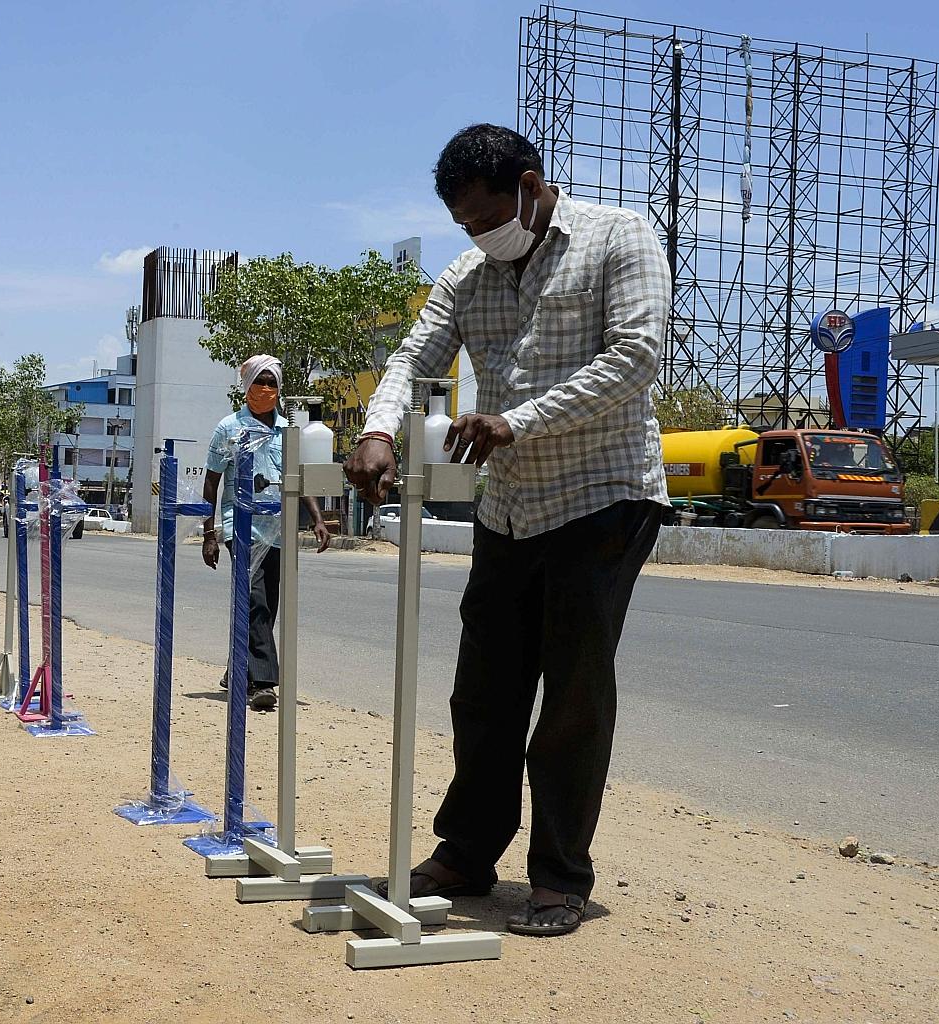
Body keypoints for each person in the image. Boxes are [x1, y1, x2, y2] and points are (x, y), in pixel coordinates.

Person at [344, 124, 670, 937]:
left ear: (531, 185)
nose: (480, 234)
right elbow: (411, 358)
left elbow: (636, 357)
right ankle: (468, 851)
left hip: (601, 495)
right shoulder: (468, 271)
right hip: (509, 507)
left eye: (488, 216)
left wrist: (516, 421)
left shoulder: (618, 237)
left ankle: (559, 878)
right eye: (464, 225)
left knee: (573, 692)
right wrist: (378, 429)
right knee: (483, 689)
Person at [202, 354, 332, 712]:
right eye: (260, 381)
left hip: (277, 529)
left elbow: (299, 476)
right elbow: (211, 482)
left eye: (272, 383)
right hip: (240, 526)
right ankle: (262, 682)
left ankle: (237, 670)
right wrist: (209, 533)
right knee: (255, 600)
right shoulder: (228, 428)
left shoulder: (287, 432)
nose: (266, 389)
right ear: (247, 387)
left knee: (265, 605)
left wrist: (317, 519)